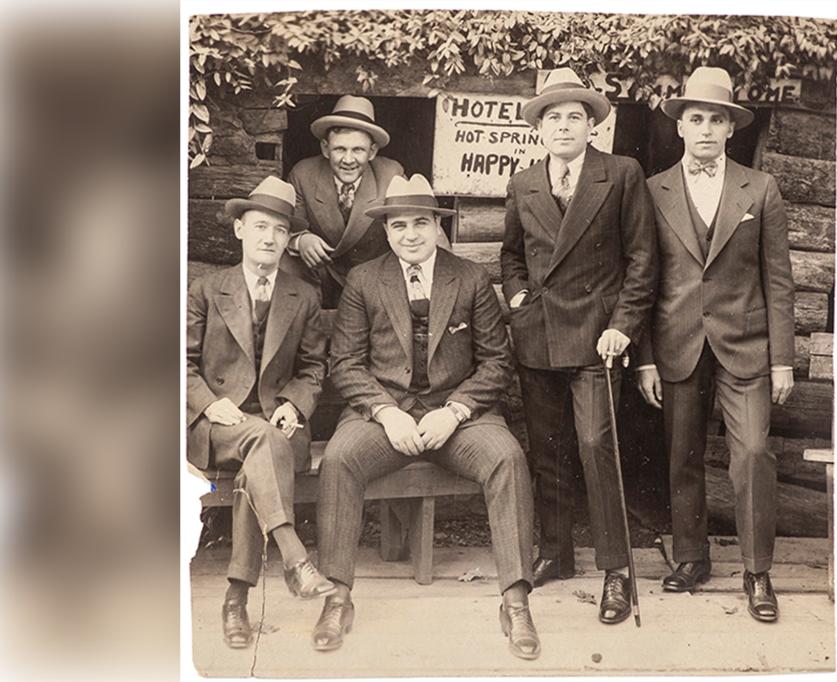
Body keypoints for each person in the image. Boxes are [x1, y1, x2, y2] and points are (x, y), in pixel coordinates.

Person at [312, 175, 540, 660]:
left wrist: (455, 411)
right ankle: (337, 595)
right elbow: (346, 364)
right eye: (399, 225)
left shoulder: (472, 277)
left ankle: (515, 600)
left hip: (456, 414)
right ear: (387, 231)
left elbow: (497, 361)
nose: (410, 234)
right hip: (385, 415)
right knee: (339, 459)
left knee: (507, 459)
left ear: (437, 227)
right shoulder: (365, 279)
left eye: (420, 223)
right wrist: (385, 411)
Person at [636, 66, 796, 623]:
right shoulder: (652, 190)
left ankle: (757, 572)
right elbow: (644, 278)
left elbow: (778, 279)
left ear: (732, 129)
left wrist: (781, 361)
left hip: (746, 345)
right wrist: (646, 358)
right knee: (682, 457)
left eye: (717, 120)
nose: (706, 129)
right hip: (676, 343)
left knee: (752, 453)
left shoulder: (761, 187)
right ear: (680, 127)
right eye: (696, 118)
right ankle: (690, 558)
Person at [500, 68, 658, 625]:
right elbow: (511, 255)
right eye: (552, 116)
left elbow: (642, 258)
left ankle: (616, 570)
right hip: (539, 334)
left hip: (600, 338)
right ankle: (557, 552)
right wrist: (519, 298)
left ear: (591, 125)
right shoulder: (524, 183)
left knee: (596, 444)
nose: (563, 125)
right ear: (539, 127)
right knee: (547, 448)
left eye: (574, 116)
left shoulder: (620, 174)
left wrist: (623, 325)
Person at [186, 176, 335, 649]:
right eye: (259, 227)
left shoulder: (303, 295)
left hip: (278, 425)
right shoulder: (207, 290)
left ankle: (236, 601)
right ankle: (294, 556)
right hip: (219, 425)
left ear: (289, 240)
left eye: (279, 230)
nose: (269, 239)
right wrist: (210, 402)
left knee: (260, 463)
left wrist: (294, 403)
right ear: (239, 232)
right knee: (259, 442)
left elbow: (314, 367)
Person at [283, 95, 404, 307]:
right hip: (321, 277)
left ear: (372, 151)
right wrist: (301, 240)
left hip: (373, 280)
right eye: (340, 149)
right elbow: (286, 224)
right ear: (325, 148)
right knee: (286, 265)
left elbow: (412, 225)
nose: (348, 160)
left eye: (358, 150)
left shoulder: (392, 174)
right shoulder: (303, 174)